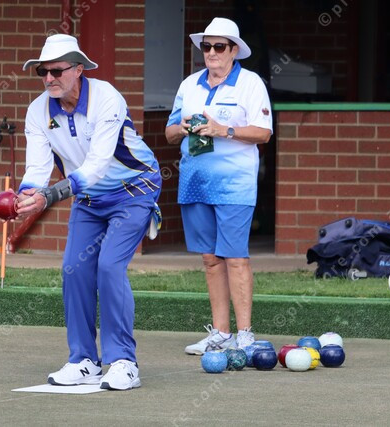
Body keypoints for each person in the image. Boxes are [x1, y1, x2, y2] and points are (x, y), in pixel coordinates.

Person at [13, 34, 162, 390]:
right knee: (74, 269)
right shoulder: (37, 111)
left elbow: (96, 165)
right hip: (89, 199)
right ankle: (83, 360)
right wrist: (25, 197)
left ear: (78, 69)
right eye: (42, 72)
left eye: (57, 71)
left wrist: (49, 196)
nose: (49, 78)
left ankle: (124, 362)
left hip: (134, 189)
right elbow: (37, 168)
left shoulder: (107, 98)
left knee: (109, 266)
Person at [165, 17, 272, 354]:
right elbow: (169, 132)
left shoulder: (250, 83)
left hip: (235, 184)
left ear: (234, 50)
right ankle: (221, 333)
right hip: (194, 181)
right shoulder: (189, 84)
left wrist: (222, 130)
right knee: (210, 259)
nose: (211, 52)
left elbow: (264, 133)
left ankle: (245, 334)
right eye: (206, 46)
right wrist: (183, 128)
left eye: (219, 46)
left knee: (235, 257)